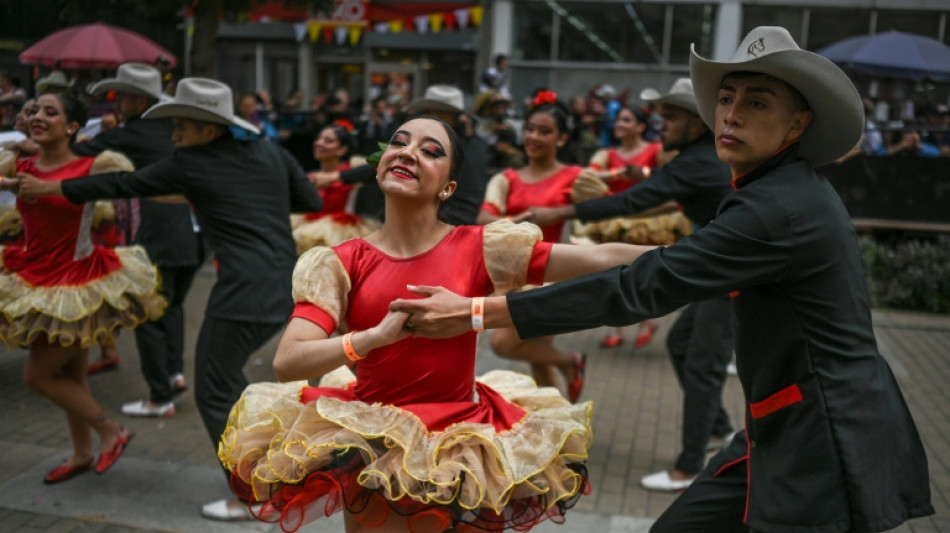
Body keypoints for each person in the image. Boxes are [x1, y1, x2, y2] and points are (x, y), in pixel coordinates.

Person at [392, 26, 934, 533]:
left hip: (824, 436)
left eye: (757, 103)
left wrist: (475, 311)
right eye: (727, 98)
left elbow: (641, 286)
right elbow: (662, 264)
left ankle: (684, 459)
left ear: (797, 126)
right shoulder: (774, 190)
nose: (732, 113)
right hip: (782, 424)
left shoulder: (778, 206)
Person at [217, 115, 652, 533]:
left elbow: (597, 259)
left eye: (430, 150)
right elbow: (288, 361)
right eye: (400, 142)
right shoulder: (340, 261)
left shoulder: (481, 246)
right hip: (376, 445)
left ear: (448, 187)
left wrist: (696, 254)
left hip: (467, 446)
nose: (408, 153)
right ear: (381, 163)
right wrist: (371, 338)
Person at [14, 77, 323, 520]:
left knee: (214, 392)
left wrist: (52, 189)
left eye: (182, 123)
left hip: (243, 291)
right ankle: (274, 460)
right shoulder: (268, 151)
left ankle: (252, 495)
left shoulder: (192, 163)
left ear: (211, 128)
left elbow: (124, 184)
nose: (173, 131)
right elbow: (307, 197)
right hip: (284, 284)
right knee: (229, 386)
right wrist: (238, 198)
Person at [0, 91, 165, 484]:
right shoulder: (17, 165)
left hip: (79, 284)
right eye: (35, 110)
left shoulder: (94, 167)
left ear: (72, 127)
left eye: (50, 112)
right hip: (35, 277)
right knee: (72, 378)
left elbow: (126, 188)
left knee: (37, 376)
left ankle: (112, 431)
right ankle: (80, 453)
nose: (38, 116)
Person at [71, 63, 205, 417]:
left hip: (160, 236)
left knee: (146, 315)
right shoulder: (171, 129)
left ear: (139, 99)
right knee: (172, 307)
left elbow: (80, 154)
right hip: (190, 236)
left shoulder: (134, 132)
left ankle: (160, 399)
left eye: (121, 95)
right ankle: (174, 375)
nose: (116, 101)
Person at [477, 93, 605, 403]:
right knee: (536, 357)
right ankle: (561, 428)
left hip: (552, 277)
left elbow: (604, 211)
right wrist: (519, 219)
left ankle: (569, 362)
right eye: (531, 129)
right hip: (513, 278)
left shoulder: (575, 178)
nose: (533, 137)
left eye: (545, 131)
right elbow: (483, 218)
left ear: (561, 138)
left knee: (505, 344)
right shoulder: (507, 178)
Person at [582, 104, 677, 351]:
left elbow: (673, 177)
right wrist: (620, 173)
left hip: (649, 222)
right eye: (618, 121)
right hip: (614, 222)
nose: (619, 125)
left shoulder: (656, 151)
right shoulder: (607, 154)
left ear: (641, 126)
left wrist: (643, 172)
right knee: (613, 275)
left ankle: (647, 322)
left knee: (642, 275)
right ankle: (618, 329)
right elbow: (587, 178)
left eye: (626, 120)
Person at [291, 121, 378, 254]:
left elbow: (377, 166)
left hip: (340, 231)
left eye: (328, 140)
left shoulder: (351, 169)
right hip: (307, 228)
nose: (319, 143)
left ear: (342, 149)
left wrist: (338, 176)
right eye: (319, 138)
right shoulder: (310, 176)